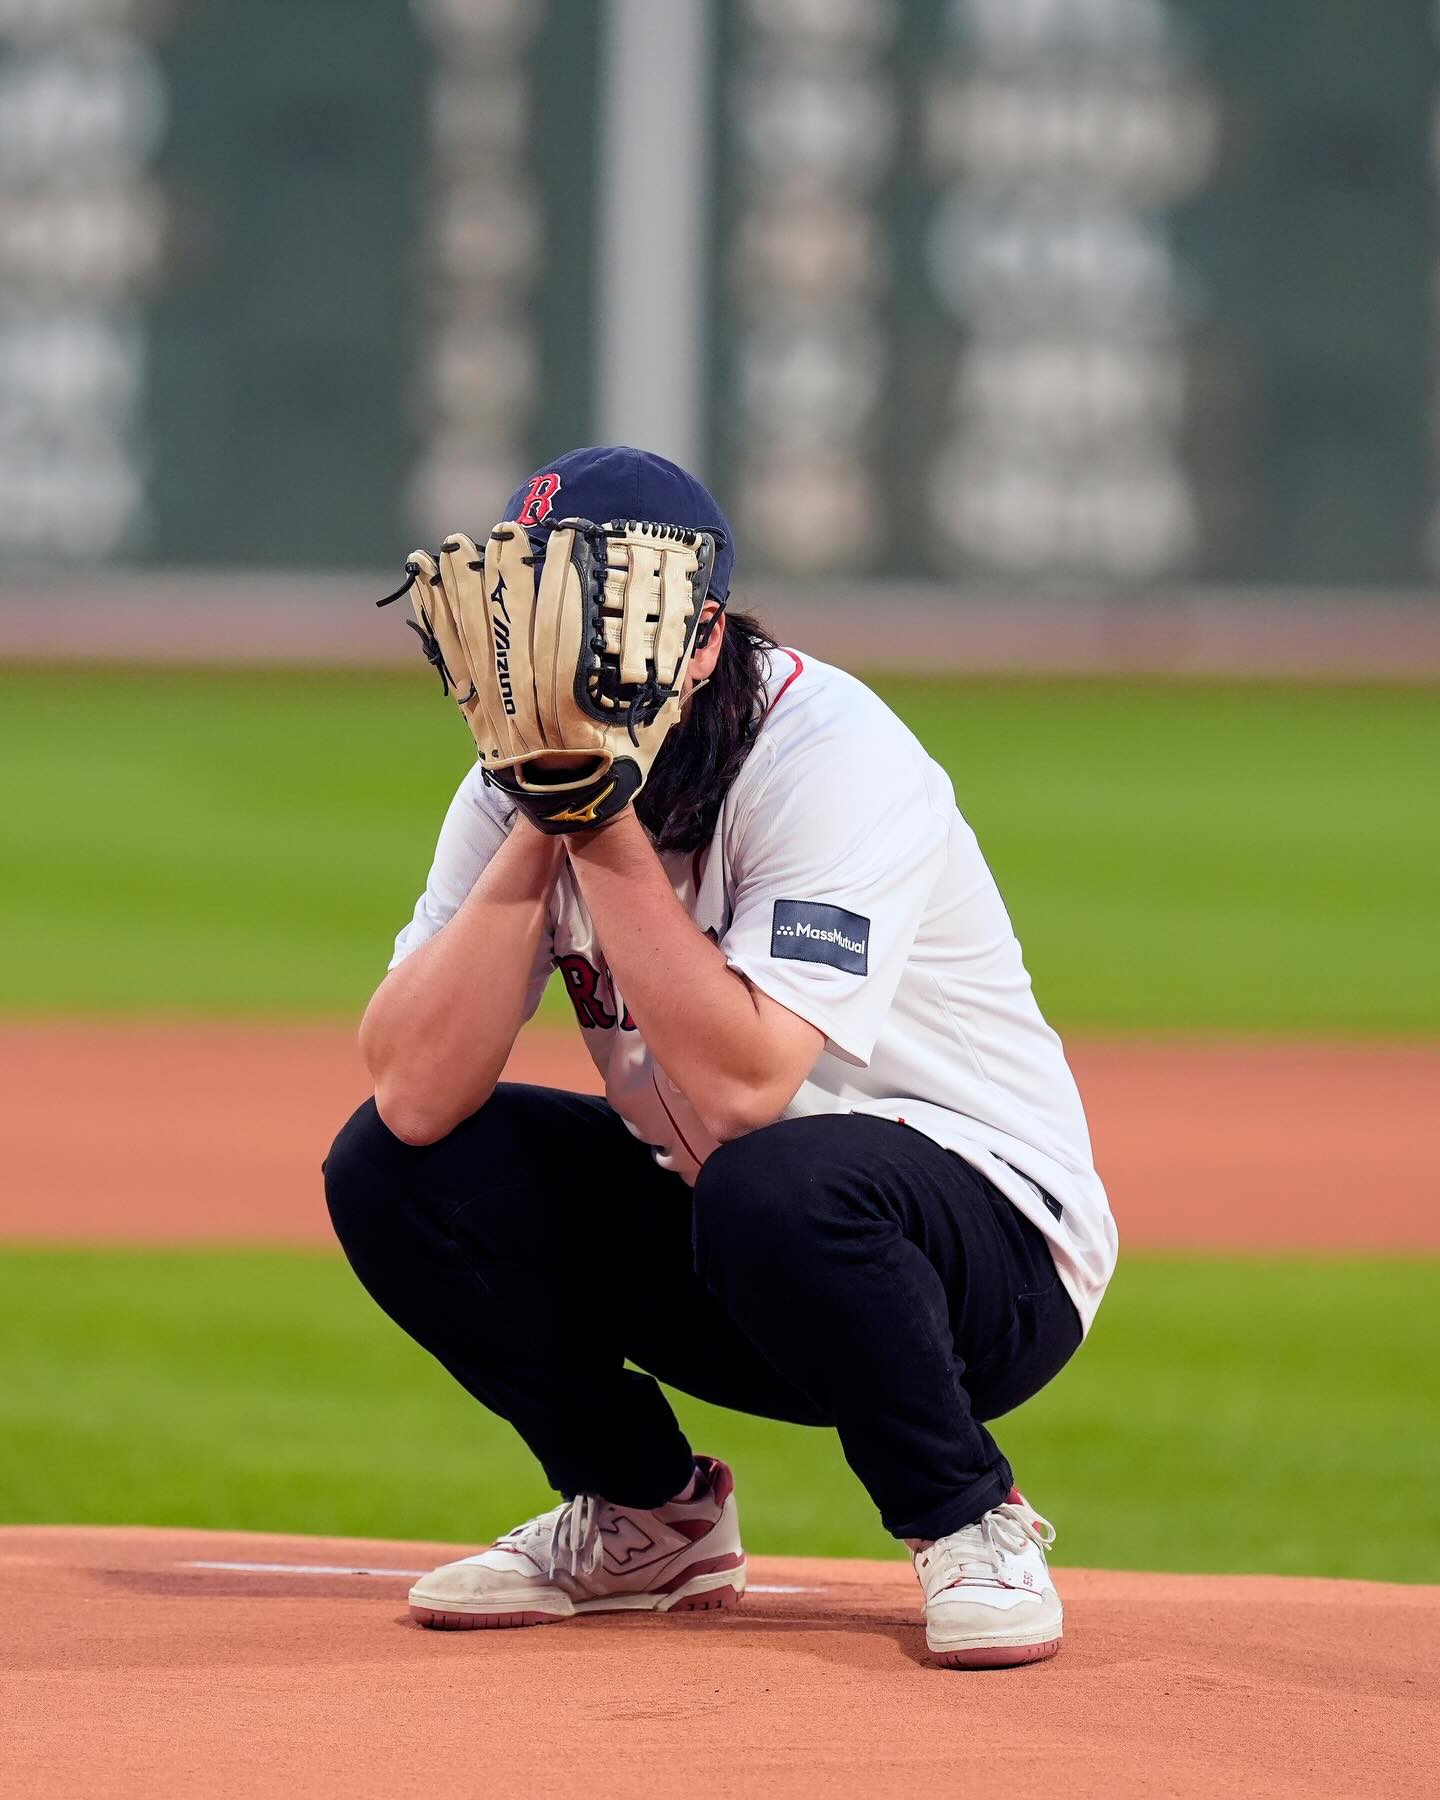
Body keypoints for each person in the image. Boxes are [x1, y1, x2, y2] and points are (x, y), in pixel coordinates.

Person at [323, 444, 1118, 1670]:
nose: (553, 649)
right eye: (530, 605)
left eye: (592, 610)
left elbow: (749, 1087)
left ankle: (970, 1517)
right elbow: (415, 1092)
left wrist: (599, 826)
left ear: (697, 639)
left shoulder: (831, 754)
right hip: (738, 1240)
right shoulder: (510, 781)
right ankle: (647, 1518)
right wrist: (545, 819)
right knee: (389, 1169)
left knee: (777, 1180)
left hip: (988, 1261)